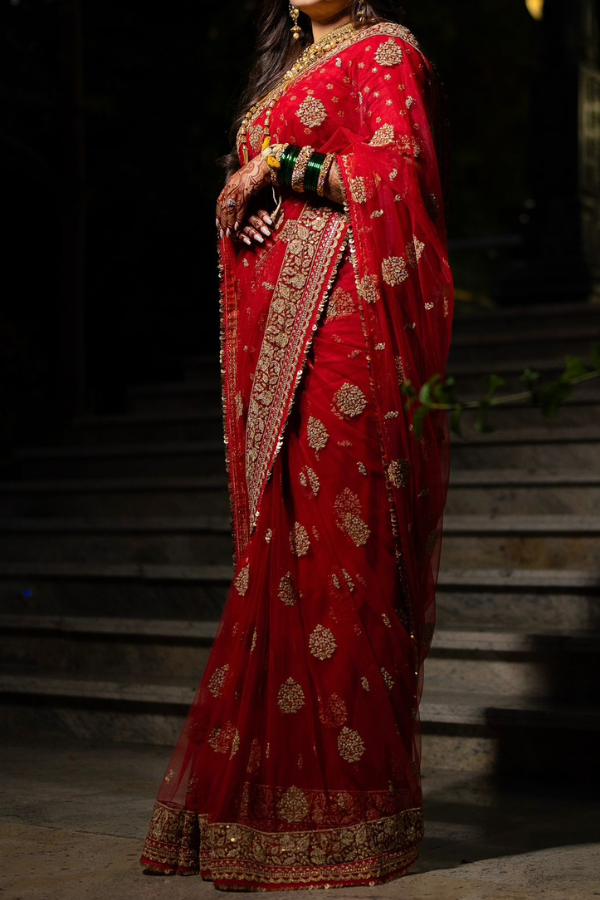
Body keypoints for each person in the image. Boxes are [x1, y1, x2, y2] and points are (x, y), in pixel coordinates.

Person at [140, 0, 454, 890]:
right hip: (276, 339)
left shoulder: (388, 53)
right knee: (279, 550)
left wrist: (281, 163)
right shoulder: (280, 70)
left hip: (346, 332)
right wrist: (244, 191)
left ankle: (357, 809)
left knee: (340, 545)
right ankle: (273, 806)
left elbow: (398, 179)